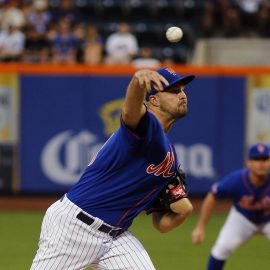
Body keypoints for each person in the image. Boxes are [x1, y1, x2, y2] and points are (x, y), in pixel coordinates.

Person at [31, 67, 195, 270]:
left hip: (116, 238)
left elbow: (161, 225)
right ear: (153, 100)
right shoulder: (146, 126)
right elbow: (129, 111)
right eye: (173, 90)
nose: (182, 95)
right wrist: (137, 82)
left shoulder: (170, 158)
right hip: (75, 228)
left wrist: (183, 212)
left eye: (183, 90)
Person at [191, 143, 270, 270]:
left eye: (265, 159)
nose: (261, 163)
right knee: (221, 249)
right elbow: (213, 195)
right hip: (243, 218)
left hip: (268, 220)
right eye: (256, 159)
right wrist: (200, 226)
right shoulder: (237, 180)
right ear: (248, 163)